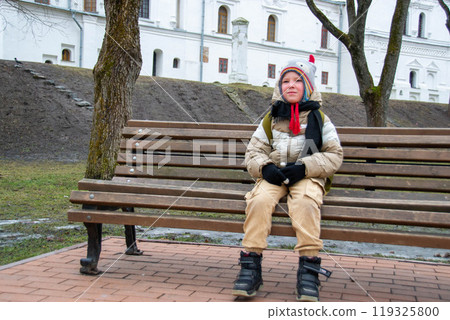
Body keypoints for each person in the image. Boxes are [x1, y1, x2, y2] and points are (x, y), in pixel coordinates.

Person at [232, 56, 343, 301]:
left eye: (297, 81)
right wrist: (265, 167)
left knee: (304, 203)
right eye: (285, 81)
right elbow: (253, 152)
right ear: (279, 87)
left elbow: (334, 156)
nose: (290, 85)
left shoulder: (320, 120)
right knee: (258, 201)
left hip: (306, 174)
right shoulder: (271, 119)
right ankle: (251, 266)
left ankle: (308, 268)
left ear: (309, 87)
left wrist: (305, 168)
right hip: (276, 173)